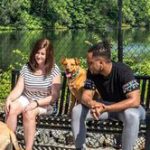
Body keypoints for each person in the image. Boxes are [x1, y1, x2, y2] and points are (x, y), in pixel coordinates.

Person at [71, 41, 146, 150]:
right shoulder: (92, 73)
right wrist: (94, 104)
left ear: (101, 63)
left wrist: (106, 108)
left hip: (129, 108)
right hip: (106, 108)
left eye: (90, 63)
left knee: (131, 115)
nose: (88, 66)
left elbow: (134, 101)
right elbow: (85, 97)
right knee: (77, 111)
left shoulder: (123, 71)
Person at [5, 38, 61, 150]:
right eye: (37, 52)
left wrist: (36, 103)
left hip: (46, 103)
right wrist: (9, 99)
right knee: (12, 108)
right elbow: (18, 89)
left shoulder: (54, 70)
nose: (39, 56)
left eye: (42, 54)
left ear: (48, 55)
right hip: (27, 98)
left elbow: (54, 96)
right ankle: (9, 146)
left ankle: (28, 148)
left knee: (29, 112)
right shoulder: (27, 67)